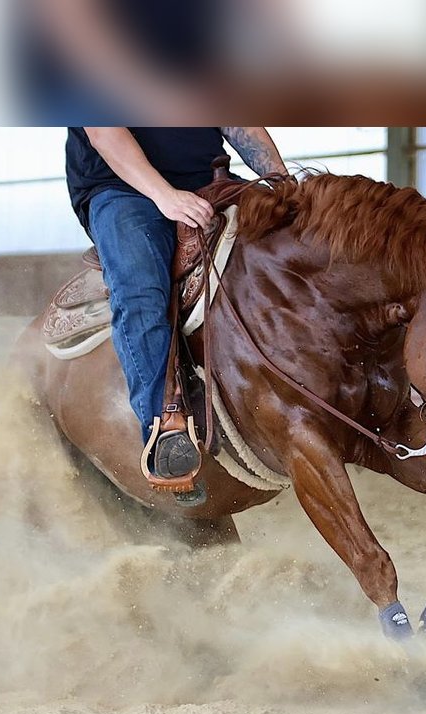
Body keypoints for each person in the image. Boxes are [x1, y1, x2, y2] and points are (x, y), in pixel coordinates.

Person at [66, 127, 288, 486]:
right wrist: (166, 196)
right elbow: (105, 134)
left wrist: (281, 181)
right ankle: (165, 428)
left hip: (209, 180)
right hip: (125, 190)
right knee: (141, 292)